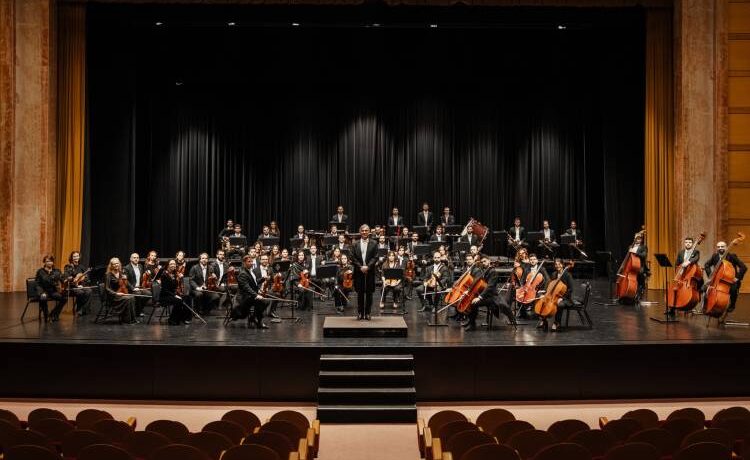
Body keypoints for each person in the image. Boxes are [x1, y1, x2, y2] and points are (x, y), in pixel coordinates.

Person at [467, 257, 516, 330]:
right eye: (482, 261)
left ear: (489, 261)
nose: (483, 263)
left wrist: (479, 297)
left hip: (492, 297)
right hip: (486, 295)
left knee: (473, 303)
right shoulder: (485, 271)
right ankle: (471, 322)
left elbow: (489, 287)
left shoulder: (493, 272)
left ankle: (472, 324)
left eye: (485, 261)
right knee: (471, 301)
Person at [704, 240, 746, 316]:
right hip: (717, 280)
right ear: (717, 248)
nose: (720, 248)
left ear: (726, 247)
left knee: (733, 289)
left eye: (722, 246)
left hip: (730, 281)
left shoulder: (732, 256)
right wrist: (711, 275)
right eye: (718, 247)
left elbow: (743, 267)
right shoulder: (715, 256)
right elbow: (706, 265)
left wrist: (737, 278)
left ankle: (732, 304)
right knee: (704, 288)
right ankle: (706, 306)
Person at [229, 254, 270, 328]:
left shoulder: (250, 271)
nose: (251, 263)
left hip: (249, 296)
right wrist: (256, 295)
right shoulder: (242, 274)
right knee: (263, 302)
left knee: (263, 301)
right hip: (244, 298)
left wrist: (262, 279)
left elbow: (254, 283)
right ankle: (258, 320)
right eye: (249, 261)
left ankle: (254, 318)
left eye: (251, 261)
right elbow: (246, 288)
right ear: (244, 263)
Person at [351, 224, 378, 320]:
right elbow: (353, 258)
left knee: (369, 293)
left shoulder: (374, 243)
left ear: (369, 232)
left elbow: (375, 257)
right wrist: (360, 267)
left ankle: (367, 313)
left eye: (366, 230)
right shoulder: (355, 244)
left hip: (370, 272)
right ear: (360, 232)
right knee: (360, 293)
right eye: (363, 230)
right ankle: (360, 313)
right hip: (359, 272)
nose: (364, 232)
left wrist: (368, 267)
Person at [103, 257, 137, 324]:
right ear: (111, 265)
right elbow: (106, 288)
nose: (116, 265)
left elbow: (126, 283)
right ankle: (127, 320)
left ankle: (132, 319)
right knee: (128, 299)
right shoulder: (108, 275)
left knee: (132, 297)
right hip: (113, 296)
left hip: (121, 294)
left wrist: (133, 288)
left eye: (117, 263)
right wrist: (116, 293)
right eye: (114, 264)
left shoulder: (121, 273)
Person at [35, 255, 67, 322]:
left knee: (64, 298)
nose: (49, 263)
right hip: (44, 291)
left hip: (53, 291)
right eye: (47, 261)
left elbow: (62, 279)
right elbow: (37, 284)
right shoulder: (40, 272)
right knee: (43, 298)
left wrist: (67, 280)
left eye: (51, 261)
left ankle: (54, 313)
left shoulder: (57, 271)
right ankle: (46, 316)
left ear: (53, 262)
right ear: (44, 262)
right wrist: (41, 293)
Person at [518, 253, 548, 320]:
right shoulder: (527, 269)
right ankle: (523, 314)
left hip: (539, 289)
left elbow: (547, 280)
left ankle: (537, 314)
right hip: (528, 289)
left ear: (537, 260)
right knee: (519, 295)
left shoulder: (542, 269)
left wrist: (544, 290)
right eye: (531, 259)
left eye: (534, 259)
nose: (532, 261)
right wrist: (522, 288)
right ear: (529, 261)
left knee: (539, 296)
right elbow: (522, 280)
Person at [547, 259, 575, 332]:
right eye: (556, 264)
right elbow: (550, 285)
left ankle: (557, 322)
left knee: (560, 305)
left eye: (559, 264)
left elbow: (570, 289)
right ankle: (543, 320)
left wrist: (562, 298)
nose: (557, 266)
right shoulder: (554, 274)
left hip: (566, 298)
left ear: (562, 265)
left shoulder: (567, 275)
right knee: (544, 301)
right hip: (554, 296)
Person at [160, 259, 190, 326]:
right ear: (168, 265)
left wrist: (180, 279)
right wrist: (174, 295)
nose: (173, 265)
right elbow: (165, 290)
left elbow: (176, 287)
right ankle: (172, 319)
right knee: (178, 301)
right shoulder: (164, 275)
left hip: (172, 294)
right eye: (171, 264)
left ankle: (184, 318)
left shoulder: (175, 274)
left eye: (174, 264)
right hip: (165, 296)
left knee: (187, 297)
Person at [63, 251, 92, 316]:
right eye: (74, 256)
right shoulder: (68, 267)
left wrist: (82, 284)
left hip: (81, 286)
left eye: (77, 256)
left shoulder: (82, 267)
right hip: (72, 287)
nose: (76, 258)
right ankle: (79, 309)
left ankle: (83, 309)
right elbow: (66, 277)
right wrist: (75, 282)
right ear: (71, 258)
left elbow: (87, 278)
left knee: (89, 291)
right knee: (80, 292)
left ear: (79, 257)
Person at [123, 252, 151, 317]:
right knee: (138, 294)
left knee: (148, 294)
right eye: (134, 258)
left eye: (137, 258)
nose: (136, 259)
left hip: (139, 287)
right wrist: (133, 288)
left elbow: (143, 277)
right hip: (131, 288)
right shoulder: (126, 268)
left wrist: (147, 274)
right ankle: (137, 311)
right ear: (130, 259)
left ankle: (138, 309)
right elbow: (125, 281)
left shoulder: (140, 266)